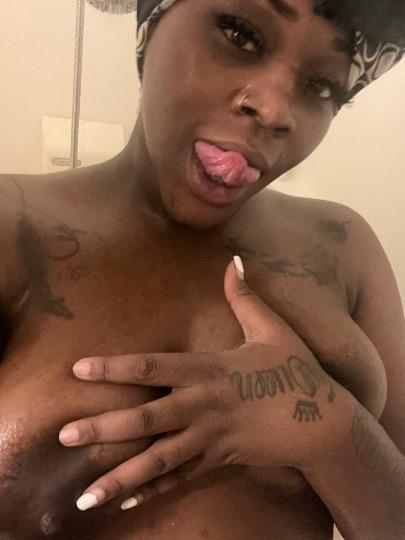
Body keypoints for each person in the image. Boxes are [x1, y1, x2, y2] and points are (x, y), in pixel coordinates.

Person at [0, 0, 404, 538]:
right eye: (239, 35)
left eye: (322, 85)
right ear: (152, 25)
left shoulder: (344, 245)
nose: (274, 109)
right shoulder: (12, 230)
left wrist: (331, 429)